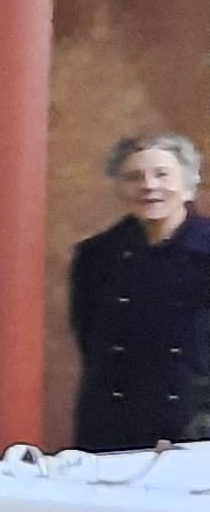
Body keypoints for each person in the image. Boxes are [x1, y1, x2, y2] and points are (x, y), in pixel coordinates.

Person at [68, 133, 210, 452]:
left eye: (162, 174)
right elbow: (90, 338)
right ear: (118, 186)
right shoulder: (96, 257)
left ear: (188, 183)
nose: (149, 186)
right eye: (134, 177)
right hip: (112, 425)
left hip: (194, 426)